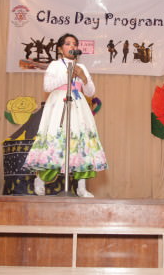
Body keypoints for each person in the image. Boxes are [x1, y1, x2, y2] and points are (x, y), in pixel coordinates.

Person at [24, 33, 107, 198]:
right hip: (59, 105)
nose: (72, 46)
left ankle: (81, 187)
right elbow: (47, 86)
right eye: (68, 44)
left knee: (80, 142)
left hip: (78, 105)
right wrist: (68, 75)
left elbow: (90, 91)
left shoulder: (81, 67)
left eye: (74, 44)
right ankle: (41, 178)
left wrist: (83, 77)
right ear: (60, 49)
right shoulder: (55, 65)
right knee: (56, 142)